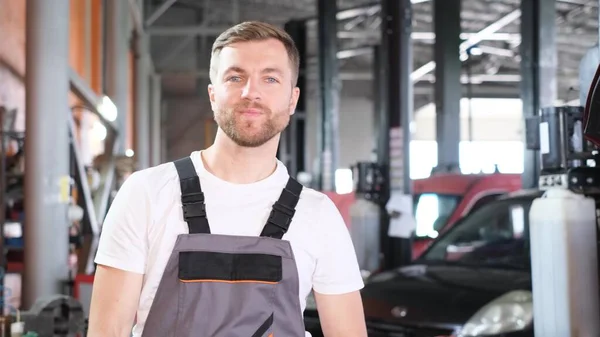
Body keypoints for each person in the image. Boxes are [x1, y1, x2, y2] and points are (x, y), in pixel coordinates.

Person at [87, 21, 367, 337]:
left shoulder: (319, 214)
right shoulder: (146, 193)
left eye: (271, 78)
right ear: (212, 94)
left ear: (292, 100)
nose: (251, 92)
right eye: (235, 77)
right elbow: (106, 332)